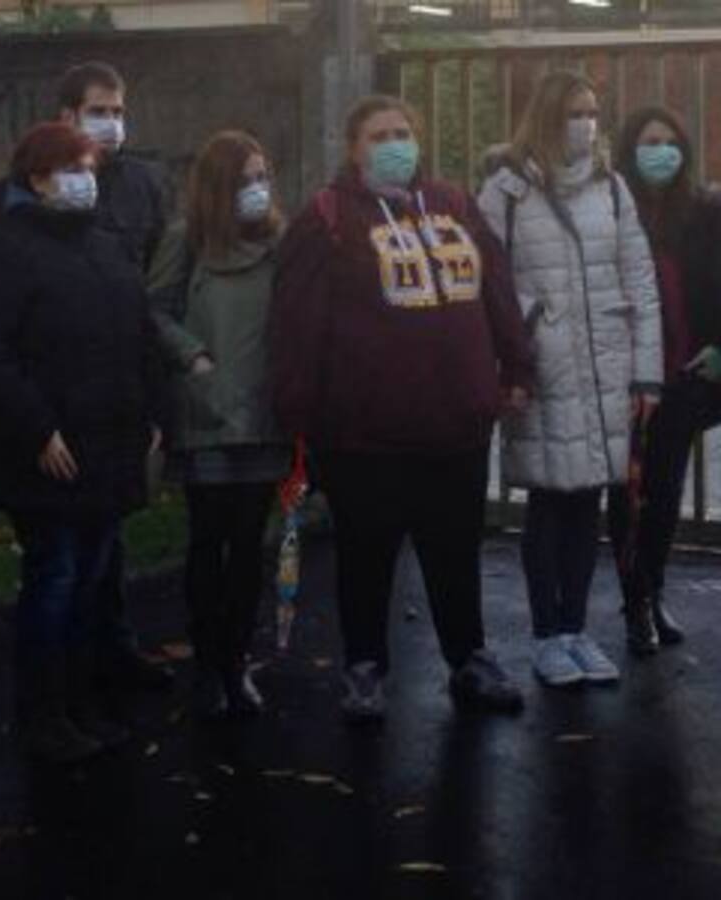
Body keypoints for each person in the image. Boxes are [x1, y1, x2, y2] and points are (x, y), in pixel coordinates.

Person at [271, 95, 533, 723]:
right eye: (381, 134)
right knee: (367, 554)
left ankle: (468, 657)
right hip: (366, 432)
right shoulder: (327, 218)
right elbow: (296, 322)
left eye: (404, 132)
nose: (396, 143)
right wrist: (297, 414)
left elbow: (495, 285)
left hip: (457, 422)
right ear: (353, 147)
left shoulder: (454, 204)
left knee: (453, 549)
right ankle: (364, 666)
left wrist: (516, 365)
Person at [0, 122, 159, 763]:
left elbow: (135, 335)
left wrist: (149, 413)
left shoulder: (106, 244)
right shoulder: (3, 249)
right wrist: (36, 427)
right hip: (46, 449)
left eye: (90, 167)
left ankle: (80, 702)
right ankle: (42, 711)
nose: (85, 179)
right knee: (55, 576)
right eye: (70, 168)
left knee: (91, 578)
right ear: (36, 178)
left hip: (110, 441)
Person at [478, 72, 662, 687]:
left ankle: (577, 629)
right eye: (575, 113)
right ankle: (545, 634)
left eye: (593, 113)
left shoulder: (612, 190)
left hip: (605, 365)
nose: (587, 124)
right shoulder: (505, 190)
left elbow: (640, 282)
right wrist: (528, 328)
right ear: (548, 118)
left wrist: (647, 376)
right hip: (545, 366)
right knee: (548, 503)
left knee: (587, 501)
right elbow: (488, 280)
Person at [147, 131, 289, 718]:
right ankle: (209, 663)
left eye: (262, 177)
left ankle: (237, 661)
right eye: (244, 180)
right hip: (207, 409)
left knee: (251, 546)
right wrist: (191, 356)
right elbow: (152, 308)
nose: (256, 190)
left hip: (264, 411)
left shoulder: (280, 242)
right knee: (209, 542)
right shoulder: (187, 240)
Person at [605, 106, 721, 656]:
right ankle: (634, 602)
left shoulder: (705, 211)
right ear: (630, 149)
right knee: (628, 492)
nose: (662, 151)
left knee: (667, 488)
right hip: (622, 376)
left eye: (671, 141)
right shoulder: (609, 207)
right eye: (650, 141)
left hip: (681, 373)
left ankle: (654, 590)